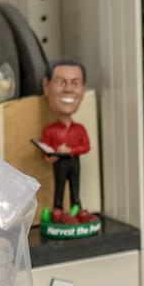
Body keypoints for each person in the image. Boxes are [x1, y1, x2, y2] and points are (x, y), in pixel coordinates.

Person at [40, 59, 91, 220]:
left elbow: (86, 147)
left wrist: (71, 150)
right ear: (46, 86)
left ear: (83, 90)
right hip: (59, 164)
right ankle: (57, 209)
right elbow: (45, 150)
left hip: (74, 162)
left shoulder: (80, 129)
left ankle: (77, 207)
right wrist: (49, 155)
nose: (68, 89)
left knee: (75, 186)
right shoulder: (50, 130)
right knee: (59, 186)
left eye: (75, 83)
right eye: (61, 82)